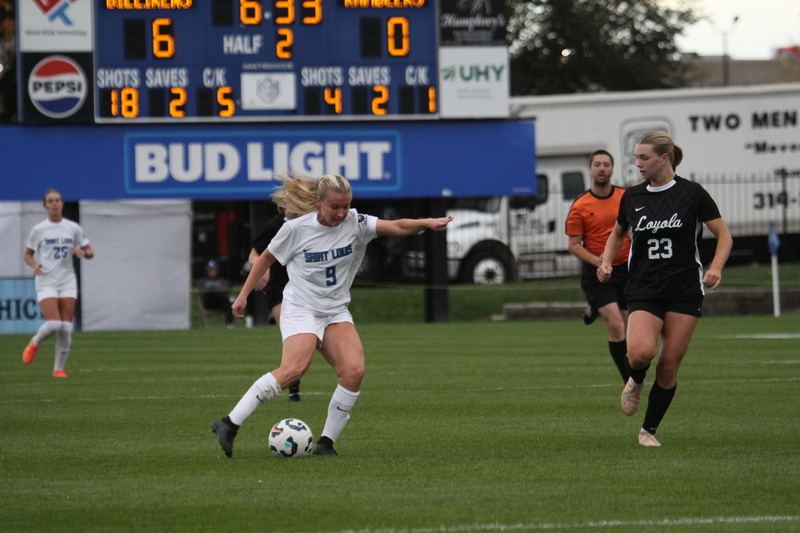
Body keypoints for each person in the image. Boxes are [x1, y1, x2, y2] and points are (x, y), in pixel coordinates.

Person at [211, 173, 452, 457]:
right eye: (335, 207)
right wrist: (243, 296)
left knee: (354, 371)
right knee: (293, 370)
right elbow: (265, 258)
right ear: (318, 202)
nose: (341, 213)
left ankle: (326, 443)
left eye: (346, 206)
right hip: (301, 308)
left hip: (334, 310)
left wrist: (426, 223)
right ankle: (229, 423)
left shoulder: (356, 223)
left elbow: (397, 225)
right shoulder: (297, 229)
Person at [598, 132, 732, 447]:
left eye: (644, 158)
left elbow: (723, 235)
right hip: (645, 287)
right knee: (641, 353)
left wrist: (715, 267)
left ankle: (648, 431)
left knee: (669, 364)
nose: (638, 163)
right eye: (636, 157)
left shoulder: (693, 193)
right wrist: (606, 262)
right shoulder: (632, 196)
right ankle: (636, 378)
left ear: (664, 159)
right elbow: (617, 234)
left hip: (685, 289)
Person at [565, 150, 632, 383]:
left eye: (606, 164)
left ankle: (594, 309)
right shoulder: (581, 205)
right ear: (590, 169)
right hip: (597, 273)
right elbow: (573, 245)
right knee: (615, 326)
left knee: (628, 328)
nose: (601, 168)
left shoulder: (626, 197)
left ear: (612, 169)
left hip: (625, 269)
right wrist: (598, 261)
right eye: (597, 164)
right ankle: (630, 382)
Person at [22, 189, 94, 377]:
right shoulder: (38, 229)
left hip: (67, 280)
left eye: (57, 200)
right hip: (46, 280)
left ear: (62, 204)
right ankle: (34, 343)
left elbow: (90, 251)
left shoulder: (73, 227)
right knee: (54, 324)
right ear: (45, 206)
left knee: (65, 327)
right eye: (50, 201)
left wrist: (83, 253)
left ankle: (58, 369)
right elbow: (27, 255)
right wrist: (34, 263)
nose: (54, 204)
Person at [248, 198, 306, 401]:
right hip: (279, 287)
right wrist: (263, 270)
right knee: (291, 336)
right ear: (284, 204)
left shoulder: (310, 224)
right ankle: (293, 387)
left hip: (304, 287)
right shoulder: (274, 226)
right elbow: (254, 255)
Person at [198, 260, 234, 328]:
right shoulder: (203, 281)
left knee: (228, 303)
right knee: (213, 294)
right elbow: (202, 292)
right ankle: (230, 299)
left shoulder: (222, 281)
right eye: (210, 270)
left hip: (220, 302)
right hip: (209, 302)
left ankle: (229, 325)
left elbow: (226, 290)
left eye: (213, 270)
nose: (211, 272)